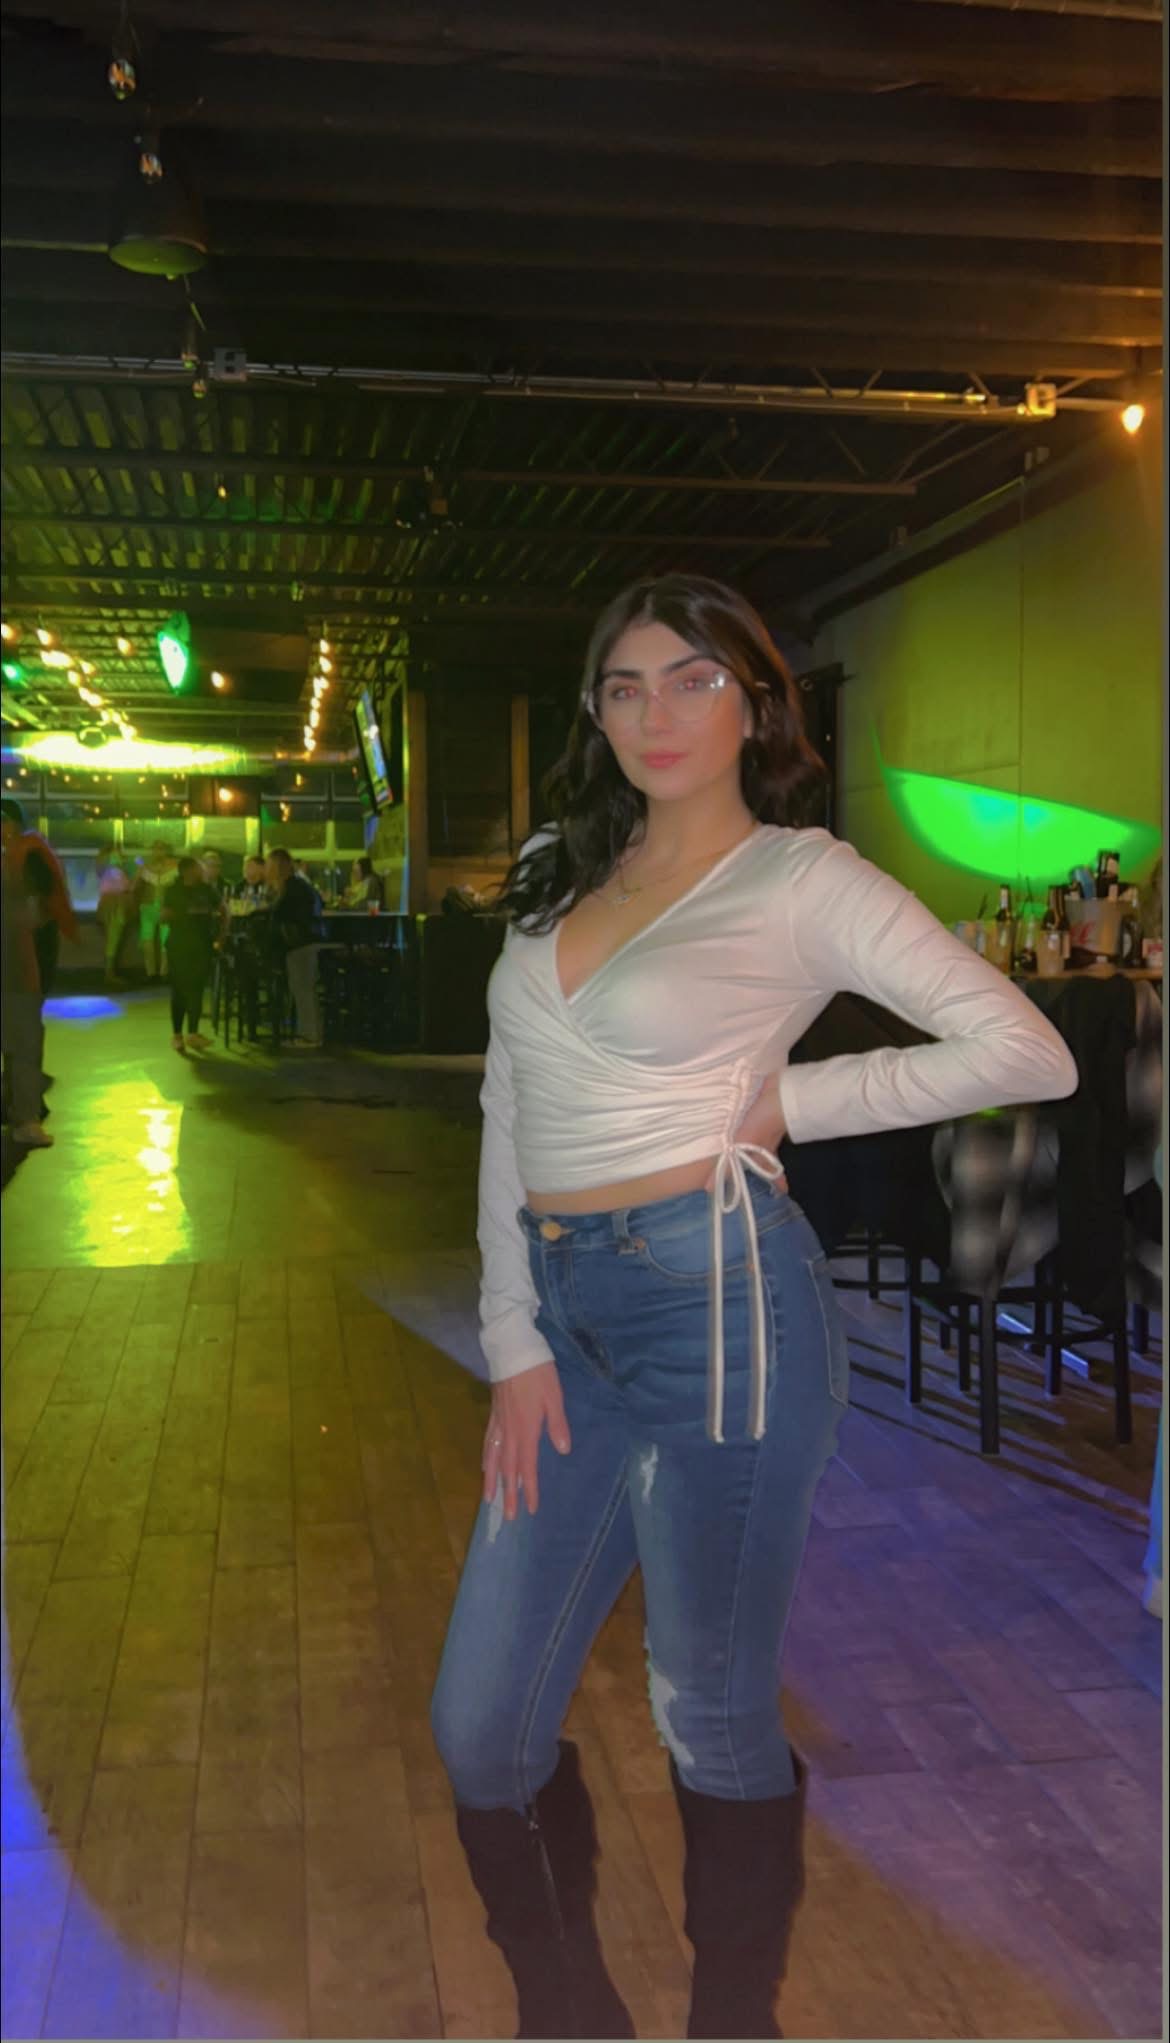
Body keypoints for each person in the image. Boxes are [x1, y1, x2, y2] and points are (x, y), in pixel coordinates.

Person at [429, 573, 1079, 2042]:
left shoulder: (799, 879)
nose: (655, 713)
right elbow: (507, 1103)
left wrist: (794, 1097)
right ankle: (568, 2014)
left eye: (694, 679)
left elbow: (1025, 1048)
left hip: (721, 1307)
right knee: (480, 1722)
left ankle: (736, 2021)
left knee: (705, 1699)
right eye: (625, 685)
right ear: (595, 711)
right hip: (565, 1316)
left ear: (756, 703)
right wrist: (512, 1333)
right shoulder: (551, 867)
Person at [1, 810, 53, 1148]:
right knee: (24, 1047)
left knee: (21, 1047)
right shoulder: (20, 861)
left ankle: (24, 1116)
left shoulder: (22, 858)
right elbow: (34, 917)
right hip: (17, 972)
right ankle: (25, 1119)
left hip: (17, 972)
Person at [0, 798, 76, 999]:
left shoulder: (29, 851)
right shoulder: (15, 851)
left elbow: (40, 890)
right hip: (23, 934)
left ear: (11, 824)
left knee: (29, 992)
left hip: (33, 936)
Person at [265, 846, 325, 1047]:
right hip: (308, 941)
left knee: (303, 989)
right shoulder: (299, 885)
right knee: (304, 989)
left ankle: (310, 1036)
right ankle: (311, 1034)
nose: (266, 870)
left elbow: (278, 913)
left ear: (277, 867)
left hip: (301, 943)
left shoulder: (291, 888)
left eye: (269, 865)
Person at [162, 856, 218, 1053]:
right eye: (199, 867)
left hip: (201, 946)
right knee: (178, 990)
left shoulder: (207, 889)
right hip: (178, 945)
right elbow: (163, 916)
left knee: (196, 989)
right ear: (188, 871)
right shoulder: (173, 890)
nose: (202, 871)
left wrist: (220, 936)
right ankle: (178, 1034)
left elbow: (223, 910)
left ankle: (192, 1033)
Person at [134, 839, 177, 981]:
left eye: (161, 849)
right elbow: (135, 887)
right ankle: (150, 973)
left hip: (167, 908)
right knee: (147, 942)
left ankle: (164, 973)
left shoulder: (174, 868)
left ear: (166, 851)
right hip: (148, 908)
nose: (158, 852)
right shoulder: (144, 868)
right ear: (152, 851)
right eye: (156, 849)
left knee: (166, 942)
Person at [95, 844, 132, 987]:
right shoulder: (113, 872)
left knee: (112, 939)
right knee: (113, 939)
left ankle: (110, 973)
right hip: (114, 906)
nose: (119, 857)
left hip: (112, 905)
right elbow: (126, 888)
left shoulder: (109, 872)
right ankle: (110, 974)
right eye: (115, 855)